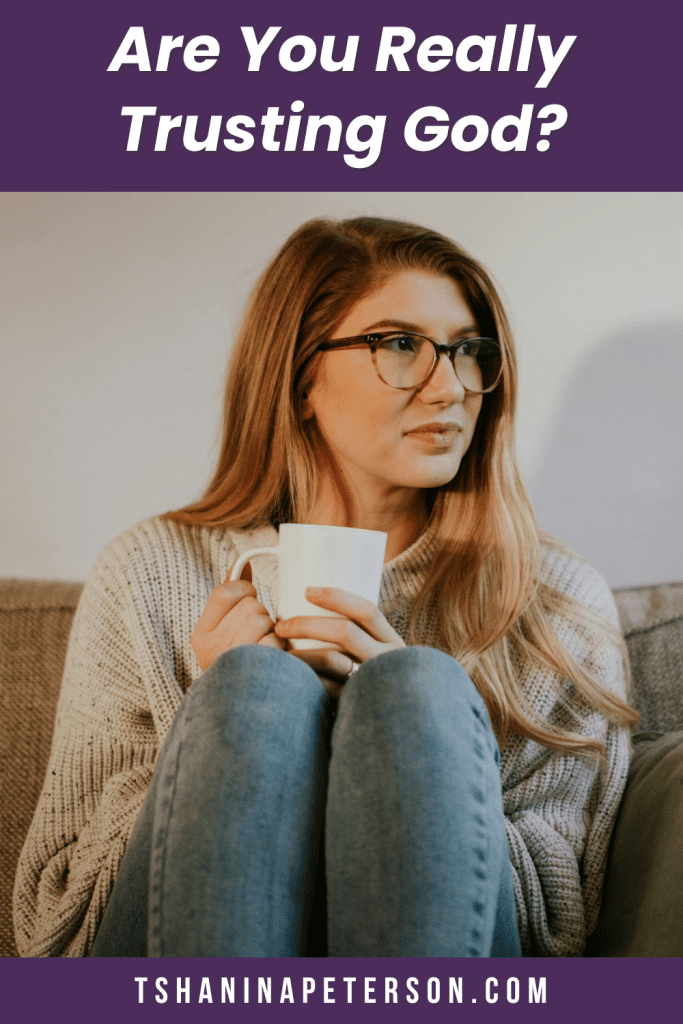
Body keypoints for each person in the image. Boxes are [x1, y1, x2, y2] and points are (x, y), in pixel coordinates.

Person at [13, 216, 638, 958]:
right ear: (301, 377)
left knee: (413, 690)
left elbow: (557, 927)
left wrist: (409, 748)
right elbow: (53, 927)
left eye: (467, 350)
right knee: (253, 689)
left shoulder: (552, 599)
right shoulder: (151, 570)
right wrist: (217, 723)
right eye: (400, 345)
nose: (449, 386)